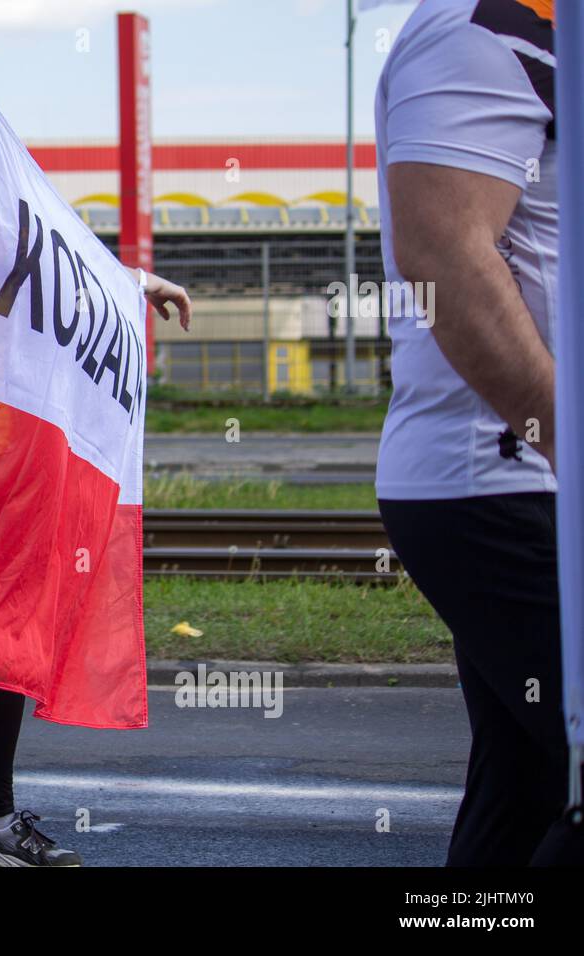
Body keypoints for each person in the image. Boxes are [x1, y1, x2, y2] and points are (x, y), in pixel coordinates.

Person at [0, 92, 192, 867]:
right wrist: (131, 282)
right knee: (0, 631)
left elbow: (54, 280)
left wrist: (133, 281)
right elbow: (47, 284)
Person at [372, 0, 570, 865]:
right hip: (506, 480)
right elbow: (443, 253)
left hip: (525, 480)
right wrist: (566, 439)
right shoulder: (484, 29)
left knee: (525, 785)